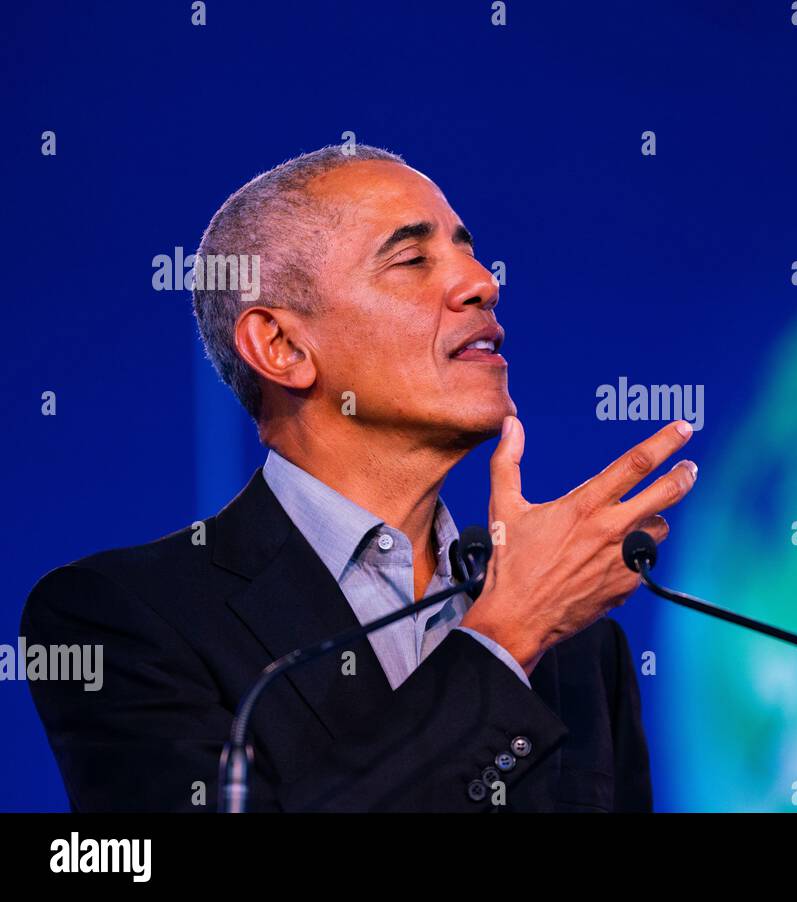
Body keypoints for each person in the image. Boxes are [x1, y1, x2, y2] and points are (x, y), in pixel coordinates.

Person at [21, 145, 698, 812]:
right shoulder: (121, 617)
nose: (482, 281)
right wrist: (501, 641)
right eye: (412, 260)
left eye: (468, 251)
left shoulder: (576, 642)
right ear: (282, 348)